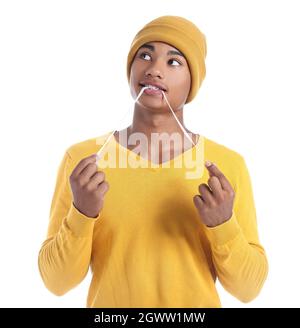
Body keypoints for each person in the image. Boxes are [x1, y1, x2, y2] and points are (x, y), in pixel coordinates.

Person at [38, 15, 268, 307]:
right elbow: (56, 282)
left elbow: (248, 290)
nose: (154, 70)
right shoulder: (83, 162)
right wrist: (82, 212)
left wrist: (223, 223)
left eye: (173, 62)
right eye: (145, 55)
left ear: (192, 81)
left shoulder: (227, 166)